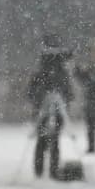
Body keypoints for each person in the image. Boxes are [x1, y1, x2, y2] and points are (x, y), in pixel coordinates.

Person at [28, 33, 74, 178]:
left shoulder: (60, 72)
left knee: (53, 140)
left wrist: (63, 103)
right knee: (43, 140)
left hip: (56, 110)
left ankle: (50, 170)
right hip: (43, 109)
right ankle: (41, 171)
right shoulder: (43, 72)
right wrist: (40, 99)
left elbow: (68, 93)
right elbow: (31, 92)